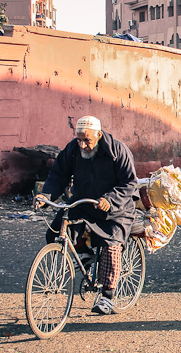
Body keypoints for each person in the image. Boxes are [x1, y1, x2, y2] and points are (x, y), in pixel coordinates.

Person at [35, 116, 138, 316]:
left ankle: (107, 296)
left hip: (115, 209)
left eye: (87, 140)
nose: (82, 145)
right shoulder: (73, 150)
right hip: (83, 201)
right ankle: (85, 255)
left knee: (110, 244)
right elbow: (58, 175)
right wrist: (45, 195)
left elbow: (129, 183)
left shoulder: (118, 152)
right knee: (58, 230)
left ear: (99, 135)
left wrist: (110, 199)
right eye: (79, 139)